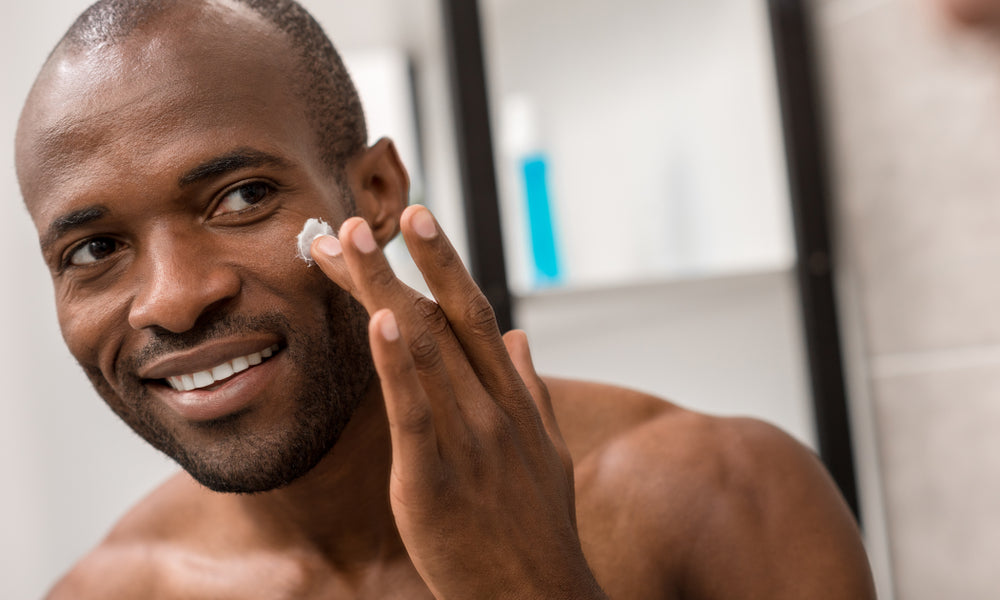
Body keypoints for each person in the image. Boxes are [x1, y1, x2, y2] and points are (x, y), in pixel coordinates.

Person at [15, 0, 877, 597]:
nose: (171, 300)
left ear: (379, 192)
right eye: (93, 250)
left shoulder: (724, 497)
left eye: (242, 197)